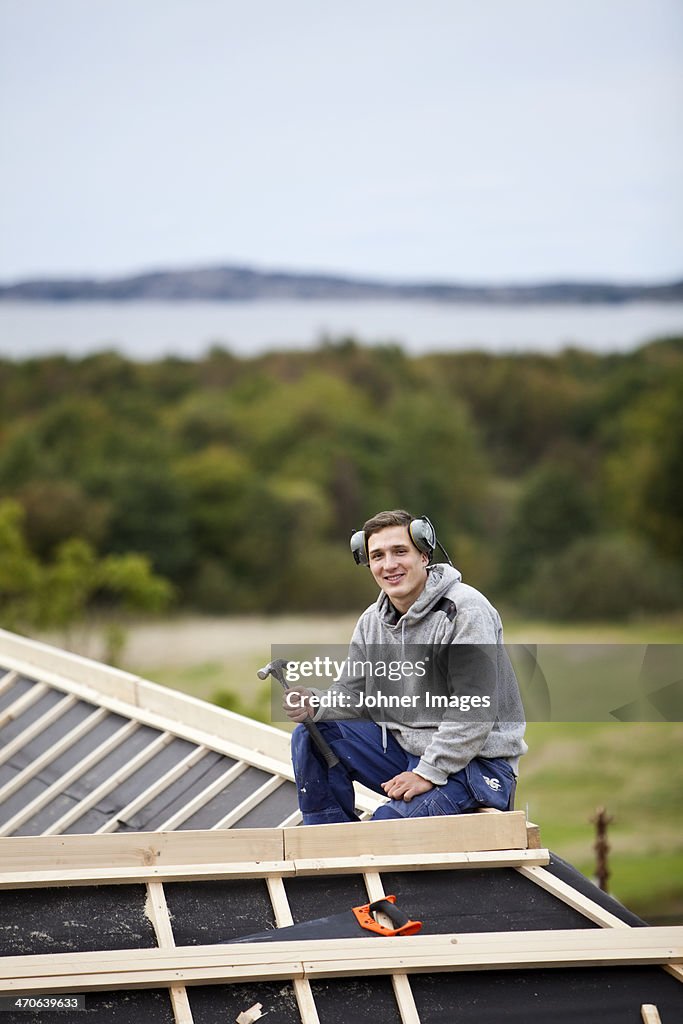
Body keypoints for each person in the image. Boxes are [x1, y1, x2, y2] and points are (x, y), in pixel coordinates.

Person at [284, 509, 527, 824]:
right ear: (367, 562)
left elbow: (473, 709)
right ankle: (327, 839)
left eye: (400, 551)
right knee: (312, 734)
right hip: (408, 753)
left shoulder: (466, 611)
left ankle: (370, 840)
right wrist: (316, 703)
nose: (389, 564)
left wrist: (428, 772)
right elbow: (353, 694)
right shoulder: (372, 621)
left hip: (477, 765)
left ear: (424, 555)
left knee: (387, 827)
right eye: (378, 555)